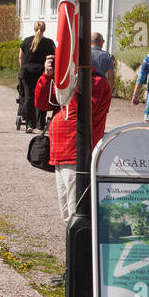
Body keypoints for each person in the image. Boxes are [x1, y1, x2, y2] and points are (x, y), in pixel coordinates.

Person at [35, 53, 112, 221]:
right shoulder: (63, 82)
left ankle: (79, 246)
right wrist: (47, 77)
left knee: (76, 210)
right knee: (66, 210)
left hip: (77, 152)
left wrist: (70, 82)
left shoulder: (96, 82)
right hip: (60, 153)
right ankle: (71, 244)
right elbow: (42, 104)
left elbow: (82, 112)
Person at [18, 20, 55, 132]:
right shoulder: (49, 43)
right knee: (42, 97)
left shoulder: (26, 41)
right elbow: (53, 58)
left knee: (29, 97)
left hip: (27, 72)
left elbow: (21, 57)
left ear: (34, 29)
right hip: (42, 72)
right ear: (44, 29)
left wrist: (23, 67)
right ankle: (41, 124)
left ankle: (30, 124)